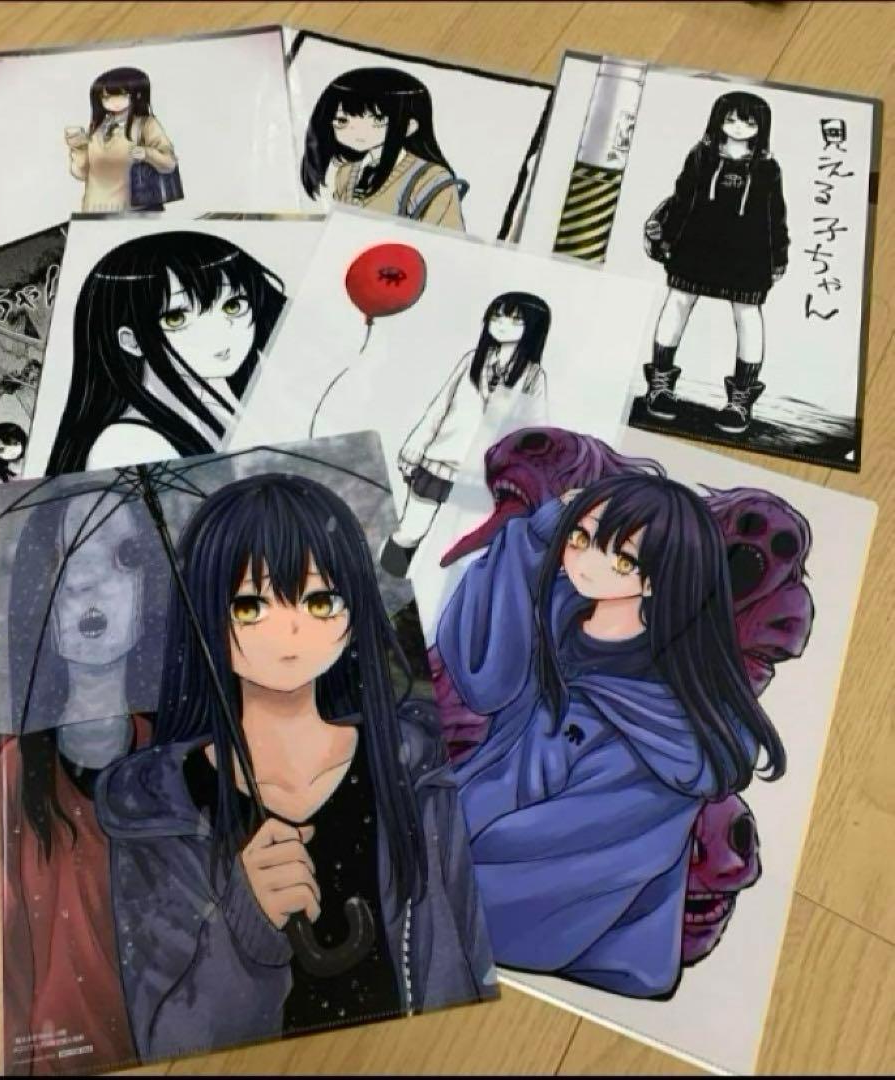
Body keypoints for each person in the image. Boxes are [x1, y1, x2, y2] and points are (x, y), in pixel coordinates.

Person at [95, 474, 496, 1061]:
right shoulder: (158, 812)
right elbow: (169, 1042)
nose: (289, 631)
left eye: (318, 602)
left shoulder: (415, 769)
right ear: (204, 615)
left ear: (355, 609)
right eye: (250, 605)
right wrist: (247, 921)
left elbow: (473, 961)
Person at [435, 473, 786, 998]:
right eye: (580, 537)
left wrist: (435, 881)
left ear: (659, 580)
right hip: (461, 832)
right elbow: (482, 672)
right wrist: (540, 530)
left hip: (547, 917)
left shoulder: (667, 733)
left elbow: (566, 863)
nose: (585, 561)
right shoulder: (557, 609)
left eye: (621, 558)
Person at [0, 486, 168, 1074]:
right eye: (67, 557)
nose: (88, 583)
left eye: (124, 556)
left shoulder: (178, 768)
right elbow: (8, 968)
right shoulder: (13, 775)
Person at [45, 231, 285, 475]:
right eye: (176, 318)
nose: (220, 332)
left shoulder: (237, 400)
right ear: (131, 341)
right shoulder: (128, 443)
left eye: (233, 306)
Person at [642, 91, 789, 435]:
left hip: (748, 253)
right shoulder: (700, 155)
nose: (738, 127)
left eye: (748, 122)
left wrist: (779, 257)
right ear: (718, 120)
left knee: (748, 314)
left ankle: (740, 400)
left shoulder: (767, 167)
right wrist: (667, 238)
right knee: (678, 301)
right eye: (731, 119)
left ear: (761, 126)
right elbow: (682, 198)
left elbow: (775, 215)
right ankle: (660, 385)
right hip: (696, 244)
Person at [380, 292, 551, 577]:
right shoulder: (473, 360)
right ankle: (380, 580)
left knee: (458, 545)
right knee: (411, 531)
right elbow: (440, 406)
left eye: (515, 320)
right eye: (497, 316)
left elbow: (537, 430)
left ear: (533, 328)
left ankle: (426, 596)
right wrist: (416, 444)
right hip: (440, 460)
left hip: (483, 474)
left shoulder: (533, 377)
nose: (502, 325)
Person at [301, 67, 468, 230]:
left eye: (378, 119)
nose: (356, 130)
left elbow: (447, 241)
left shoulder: (430, 178)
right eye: (342, 120)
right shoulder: (346, 172)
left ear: (410, 126)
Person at [64, 67, 178, 213]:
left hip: (136, 211)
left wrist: (147, 154)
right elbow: (80, 173)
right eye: (106, 97)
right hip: (94, 210)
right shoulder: (98, 127)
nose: (113, 102)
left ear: (137, 94)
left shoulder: (146, 125)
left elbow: (169, 163)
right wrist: (78, 147)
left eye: (122, 95)